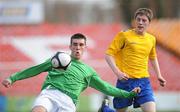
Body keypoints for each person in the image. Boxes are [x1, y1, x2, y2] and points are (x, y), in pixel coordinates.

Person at [2, 33, 141, 112]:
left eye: (81, 45)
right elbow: (35, 69)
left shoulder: (88, 71)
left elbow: (106, 87)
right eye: (75, 44)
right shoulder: (58, 59)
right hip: (50, 94)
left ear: (85, 47)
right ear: (70, 46)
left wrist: (129, 94)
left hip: (69, 102)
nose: (77, 47)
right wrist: (13, 78)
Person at [105, 8, 166, 112]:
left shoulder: (151, 39)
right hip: (125, 81)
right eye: (138, 19)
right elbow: (108, 55)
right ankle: (106, 110)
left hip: (143, 82)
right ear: (135, 21)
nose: (140, 23)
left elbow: (153, 57)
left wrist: (159, 75)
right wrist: (118, 72)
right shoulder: (124, 35)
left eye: (144, 20)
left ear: (149, 22)